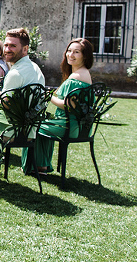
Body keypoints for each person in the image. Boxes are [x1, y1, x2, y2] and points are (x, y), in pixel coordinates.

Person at [22, 38, 94, 174]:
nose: (70, 55)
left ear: (85, 56)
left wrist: (48, 96)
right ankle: (41, 166)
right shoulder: (84, 74)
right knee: (43, 124)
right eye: (69, 51)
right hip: (81, 127)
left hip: (68, 126)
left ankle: (35, 166)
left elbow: (68, 106)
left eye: (76, 52)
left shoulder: (76, 77)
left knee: (33, 125)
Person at [0, 27, 44, 97]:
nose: (7, 50)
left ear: (25, 49)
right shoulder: (35, 67)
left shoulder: (15, 73)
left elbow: (5, 104)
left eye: (13, 46)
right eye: (6, 45)